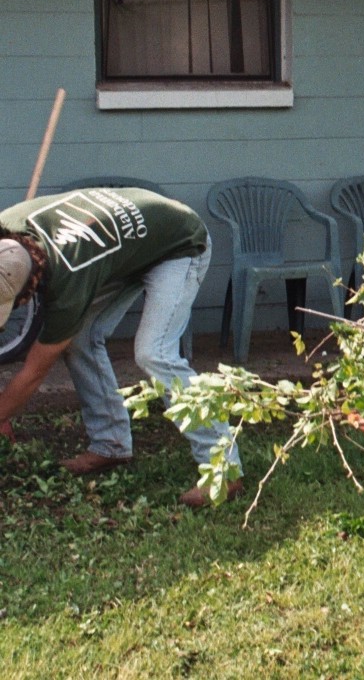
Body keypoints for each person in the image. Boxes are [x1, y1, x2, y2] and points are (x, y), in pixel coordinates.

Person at [0, 185, 242, 507]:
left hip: (177, 241)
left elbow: (34, 372)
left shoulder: (67, 282)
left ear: (29, 288)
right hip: (128, 243)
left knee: (153, 353)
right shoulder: (8, 226)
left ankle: (224, 471)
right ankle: (110, 445)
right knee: (80, 339)